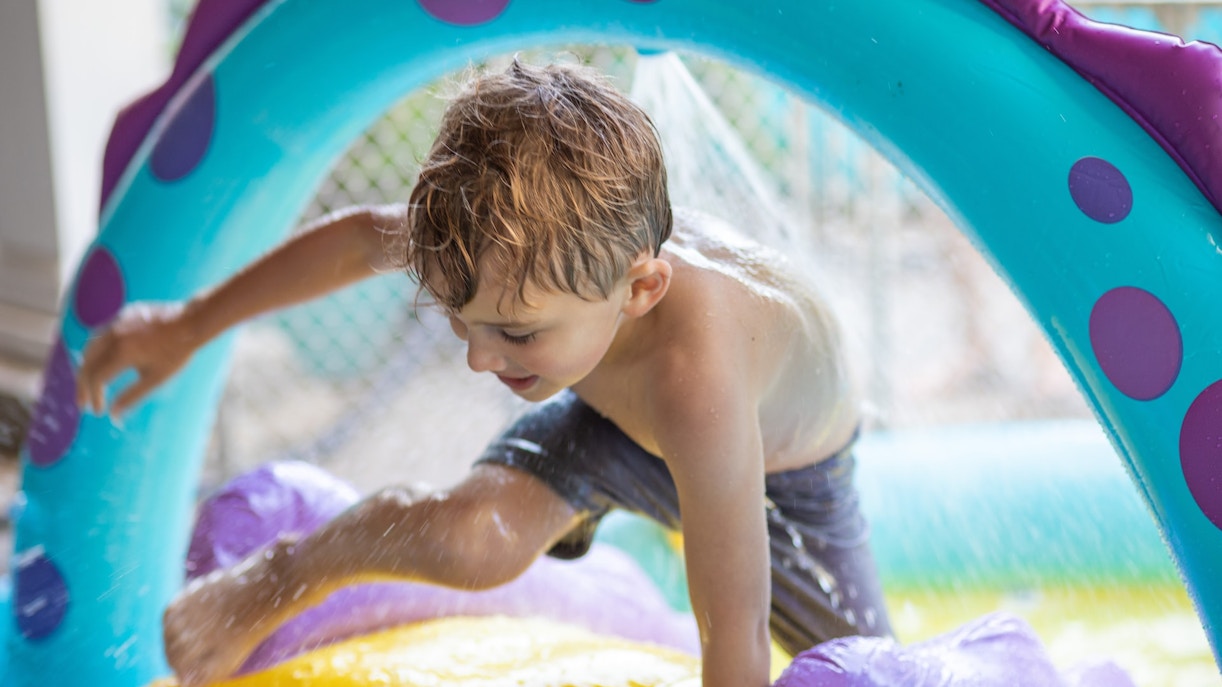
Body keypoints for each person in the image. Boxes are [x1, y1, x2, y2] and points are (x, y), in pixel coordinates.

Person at [76, 59, 891, 687]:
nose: (477, 357)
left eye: (514, 332)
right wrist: (187, 325)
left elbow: (735, 629)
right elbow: (361, 238)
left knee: (862, 662)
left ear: (640, 290)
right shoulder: (506, 246)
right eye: (459, 321)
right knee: (478, 539)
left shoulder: (697, 377)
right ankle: (288, 570)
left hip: (789, 474)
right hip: (609, 422)